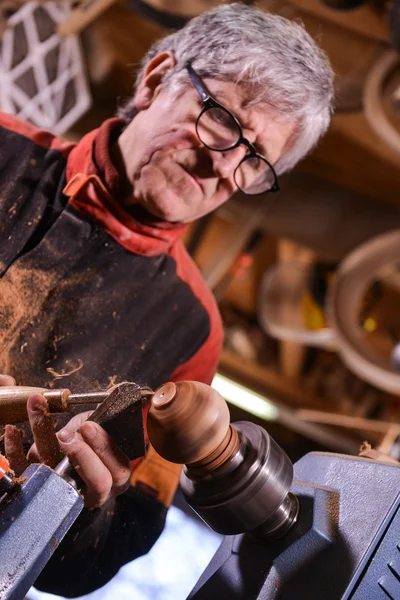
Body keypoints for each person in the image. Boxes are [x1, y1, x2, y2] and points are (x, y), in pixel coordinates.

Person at [0, 3, 333, 596]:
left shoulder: (192, 332)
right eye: (224, 120)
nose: (223, 164)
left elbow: (116, 544)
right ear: (156, 79)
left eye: (255, 160)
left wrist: (85, 508)